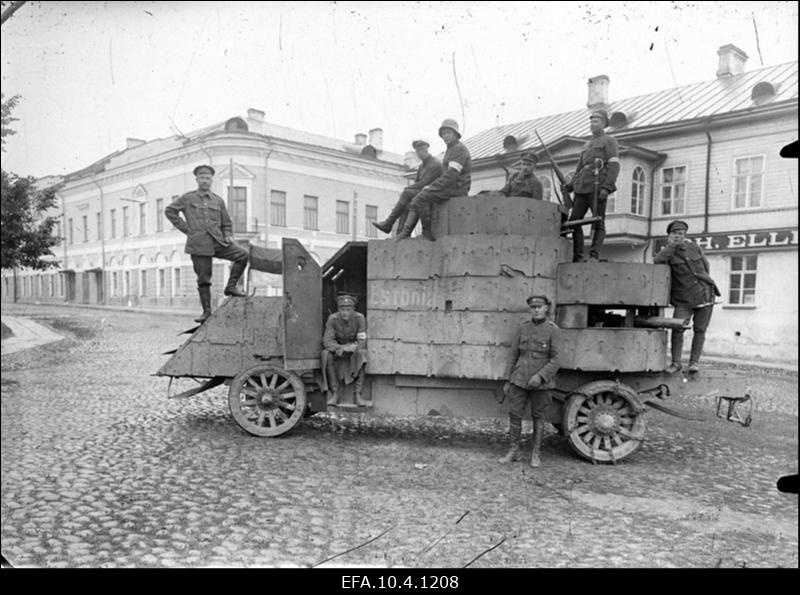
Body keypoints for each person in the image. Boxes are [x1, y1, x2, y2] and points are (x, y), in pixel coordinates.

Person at [165, 165, 249, 323]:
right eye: (202, 178)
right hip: (198, 244)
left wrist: (228, 235)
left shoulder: (218, 200)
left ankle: (230, 287)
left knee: (243, 254)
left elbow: (227, 223)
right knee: (204, 278)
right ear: (197, 180)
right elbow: (170, 211)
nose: (205, 181)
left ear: (211, 180)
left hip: (218, 241)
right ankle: (206, 312)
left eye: (208, 178)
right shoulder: (188, 198)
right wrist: (187, 229)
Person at [500, 295, 561, 468]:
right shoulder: (522, 328)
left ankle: (535, 454)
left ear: (546, 308)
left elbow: (556, 360)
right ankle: (514, 451)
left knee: (538, 418)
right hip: (519, 380)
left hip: (541, 384)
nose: (535, 310)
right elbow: (513, 355)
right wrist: (508, 380)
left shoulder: (553, 330)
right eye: (533, 307)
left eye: (539, 307)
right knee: (514, 415)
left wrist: (540, 377)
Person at [653, 220, 720, 375]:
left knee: (700, 330)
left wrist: (704, 284)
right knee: (678, 329)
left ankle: (694, 363)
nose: (678, 236)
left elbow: (706, 265)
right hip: (683, 298)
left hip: (705, 295)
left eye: (681, 233)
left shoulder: (693, 247)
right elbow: (657, 261)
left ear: (685, 235)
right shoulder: (668, 252)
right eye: (675, 233)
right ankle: (676, 363)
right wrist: (671, 246)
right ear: (669, 235)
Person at [396, 118, 472, 241]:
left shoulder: (458, 149)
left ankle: (426, 234)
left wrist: (431, 187)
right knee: (417, 199)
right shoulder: (451, 149)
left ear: (455, 134)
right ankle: (404, 233)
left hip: (458, 188)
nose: (446, 136)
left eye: (448, 133)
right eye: (444, 134)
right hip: (451, 187)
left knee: (421, 198)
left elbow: (451, 175)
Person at [564, 110, 620, 262]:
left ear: (604, 124)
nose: (592, 124)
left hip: (597, 187)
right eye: (591, 121)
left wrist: (607, 187)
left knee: (598, 222)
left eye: (596, 121)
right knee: (574, 221)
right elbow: (580, 167)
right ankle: (578, 256)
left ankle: (594, 255)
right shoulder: (587, 144)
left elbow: (614, 165)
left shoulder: (609, 141)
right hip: (582, 187)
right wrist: (571, 184)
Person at [372, 139, 443, 235]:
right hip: (423, 193)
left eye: (421, 150)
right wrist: (411, 188)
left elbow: (424, 182)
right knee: (407, 204)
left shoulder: (435, 164)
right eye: (417, 151)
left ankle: (389, 223)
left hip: (433, 193)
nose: (419, 153)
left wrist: (409, 188)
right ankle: (400, 233)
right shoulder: (422, 166)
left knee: (407, 193)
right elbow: (418, 182)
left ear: (426, 150)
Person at [322, 295, 370, 407]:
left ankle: (357, 394)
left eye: (348, 310)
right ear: (338, 309)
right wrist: (342, 349)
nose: (345, 313)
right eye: (342, 309)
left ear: (353, 309)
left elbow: (362, 340)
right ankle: (335, 394)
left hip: (354, 351)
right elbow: (327, 341)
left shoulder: (360, 318)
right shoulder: (332, 319)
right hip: (339, 351)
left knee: (363, 354)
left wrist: (353, 347)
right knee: (326, 354)